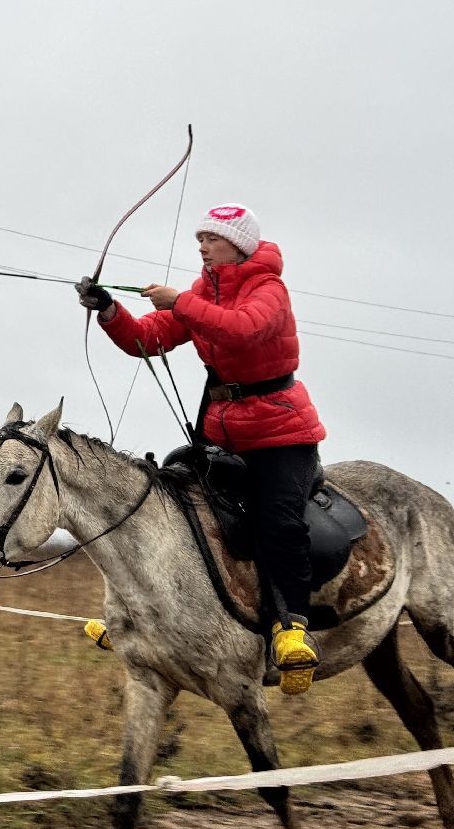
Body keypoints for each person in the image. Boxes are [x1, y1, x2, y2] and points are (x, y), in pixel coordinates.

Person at [75, 204, 325, 695]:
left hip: (282, 433)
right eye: (200, 238)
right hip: (221, 431)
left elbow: (241, 328)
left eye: (211, 237)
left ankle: (292, 629)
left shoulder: (268, 289)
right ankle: (137, 618)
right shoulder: (200, 293)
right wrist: (109, 310)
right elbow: (148, 339)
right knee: (170, 499)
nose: (202, 246)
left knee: (278, 520)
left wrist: (178, 302)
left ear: (238, 244)